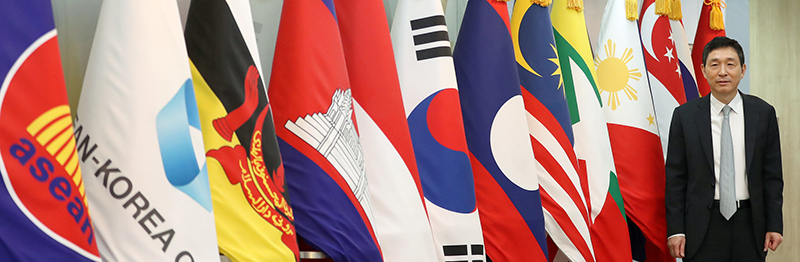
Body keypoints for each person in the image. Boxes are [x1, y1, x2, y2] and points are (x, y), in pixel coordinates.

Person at [665, 36, 783, 261]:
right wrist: (676, 229)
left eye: (730, 64)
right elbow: (676, 179)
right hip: (701, 226)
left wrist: (775, 224)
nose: (723, 72)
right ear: (703, 70)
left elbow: (772, 176)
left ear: (742, 69)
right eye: (715, 64)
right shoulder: (685, 116)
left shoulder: (763, 113)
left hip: (751, 224)